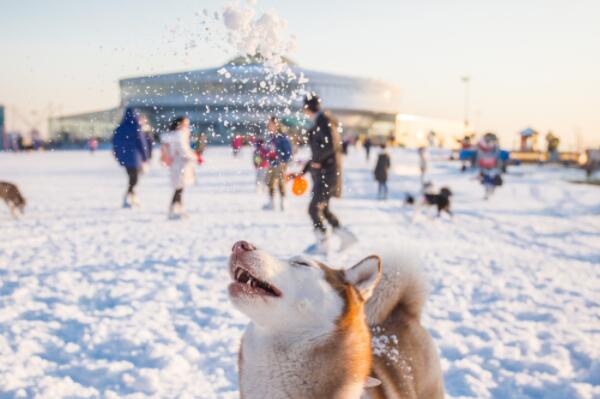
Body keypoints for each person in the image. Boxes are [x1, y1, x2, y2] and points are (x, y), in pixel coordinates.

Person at [299, 93, 357, 254]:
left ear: (306, 108)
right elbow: (321, 149)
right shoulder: (322, 120)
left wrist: (317, 160)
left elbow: (331, 145)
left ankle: (323, 243)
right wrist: (304, 170)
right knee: (323, 209)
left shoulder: (324, 120)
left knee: (313, 209)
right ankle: (346, 237)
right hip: (325, 173)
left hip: (327, 174)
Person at [112, 108, 150, 208]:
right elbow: (142, 143)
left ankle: (132, 198)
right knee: (134, 179)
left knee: (132, 178)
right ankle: (128, 197)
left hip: (124, 156)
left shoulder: (120, 127)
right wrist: (145, 157)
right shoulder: (136, 127)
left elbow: (115, 143)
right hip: (135, 157)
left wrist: (118, 155)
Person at [160, 116, 196, 219]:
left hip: (176, 164)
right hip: (180, 164)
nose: (187, 126)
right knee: (179, 187)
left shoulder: (172, 136)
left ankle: (177, 208)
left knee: (179, 187)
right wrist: (194, 157)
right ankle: (174, 209)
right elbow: (183, 150)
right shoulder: (179, 135)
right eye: (186, 123)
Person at [263, 116, 292, 211]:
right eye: (269, 124)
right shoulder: (270, 137)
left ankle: (283, 201)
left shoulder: (282, 137)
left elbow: (288, 150)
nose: (269, 126)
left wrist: (285, 160)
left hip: (280, 163)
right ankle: (271, 202)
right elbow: (267, 149)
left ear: (276, 125)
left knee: (280, 181)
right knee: (269, 181)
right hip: (272, 162)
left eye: (271, 124)